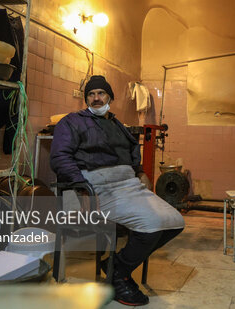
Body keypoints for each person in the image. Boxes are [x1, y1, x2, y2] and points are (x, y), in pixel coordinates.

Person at [50, 75, 184, 306]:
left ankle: (115, 265)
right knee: (151, 225)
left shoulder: (117, 125)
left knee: (175, 221)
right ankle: (119, 274)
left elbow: (132, 154)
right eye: (91, 94)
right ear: (86, 99)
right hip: (96, 188)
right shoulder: (72, 122)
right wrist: (83, 188)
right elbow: (60, 158)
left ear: (109, 97)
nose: (96, 98)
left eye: (101, 93)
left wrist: (141, 172)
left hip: (129, 186)